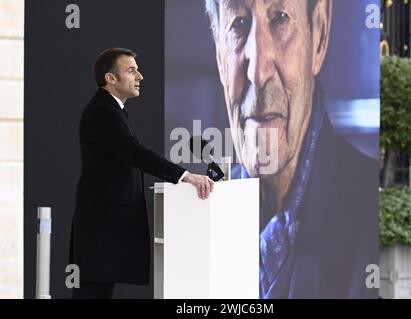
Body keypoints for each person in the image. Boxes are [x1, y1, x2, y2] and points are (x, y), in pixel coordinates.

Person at [205, 0, 378, 298]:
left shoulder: (373, 212)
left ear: (319, 33)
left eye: (280, 18)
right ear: (219, 53)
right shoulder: (202, 217)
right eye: (238, 23)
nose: (258, 72)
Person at [70, 48, 214, 299]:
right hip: (100, 231)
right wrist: (185, 176)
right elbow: (135, 153)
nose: (140, 76)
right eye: (131, 70)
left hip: (105, 230)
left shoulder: (112, 110)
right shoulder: (102, 112)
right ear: (110, 78)